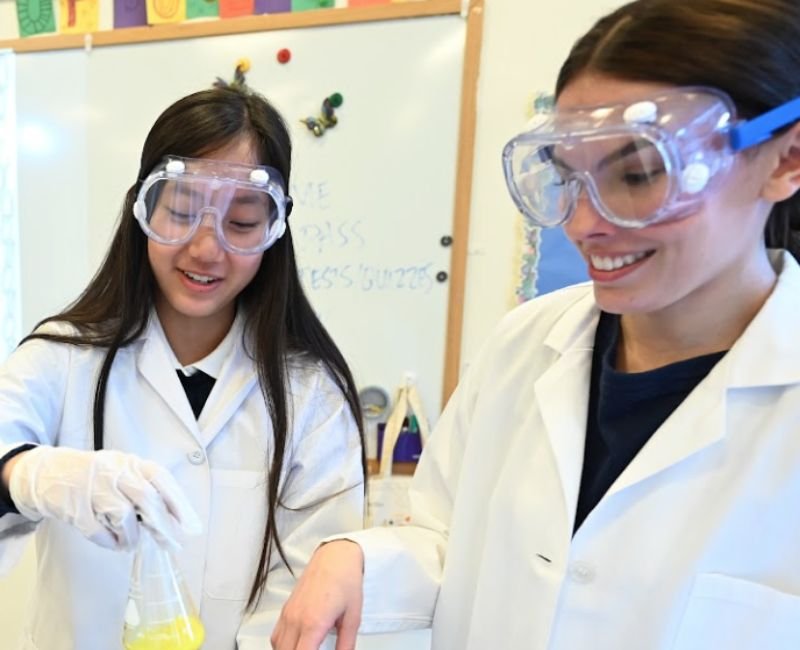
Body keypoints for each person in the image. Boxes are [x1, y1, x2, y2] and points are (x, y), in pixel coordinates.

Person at [270, 1, 800, 648]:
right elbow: (446, 539)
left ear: (785, 160)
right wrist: (357, 560)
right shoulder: (525, 347)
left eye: (637, 174)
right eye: (569, 177)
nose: (584, 222)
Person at [0, 69, 366, 650]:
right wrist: (27, 474)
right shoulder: (60, 357)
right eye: (181, 212)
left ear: (274, 231)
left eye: (242, 222)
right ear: (142, 209)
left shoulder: (311, 394)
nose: (205, 247)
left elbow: (318, 586)